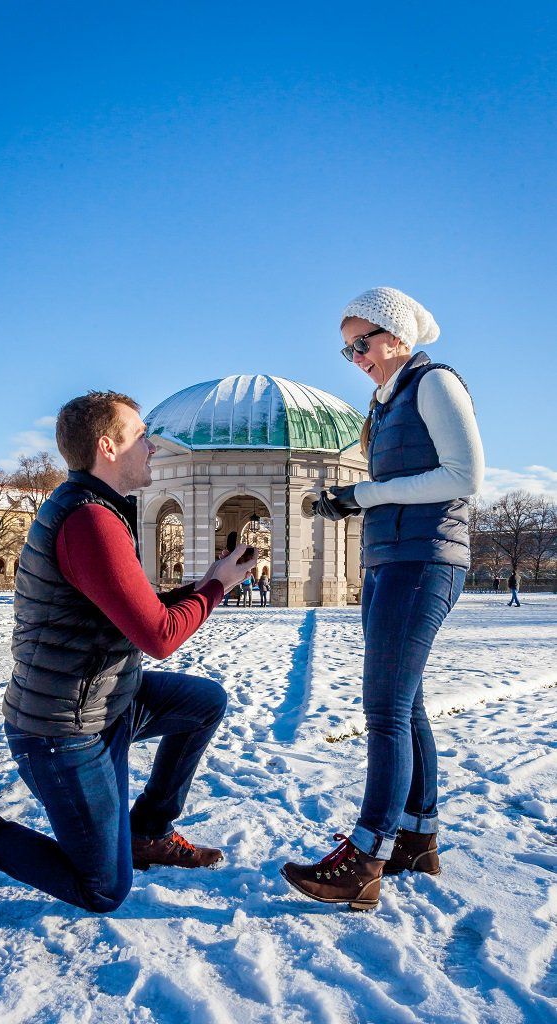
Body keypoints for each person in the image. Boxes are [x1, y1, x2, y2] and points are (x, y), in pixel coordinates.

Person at [0, 391, 257, 913]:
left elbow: (131, 609)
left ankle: (147, 832)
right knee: (103, 890)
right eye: (141, 436)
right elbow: (158, 637)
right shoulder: (89, 521)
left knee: (204, 703)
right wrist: (217, 588)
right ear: (107, 446)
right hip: (62, 730)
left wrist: (204, 583)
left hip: (108, 700)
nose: (153, 448)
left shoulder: (99, 511)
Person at [281, 286, 484, 910]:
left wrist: (366, 494)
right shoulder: (387, 399)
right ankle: (417, 839)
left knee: (385, 710)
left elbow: (464, 476)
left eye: (361, 344)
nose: (355, 357)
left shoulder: (434, 383)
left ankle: (364, 858)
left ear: (396, 335)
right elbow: (400, 484)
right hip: (390, 561)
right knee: (407, 703)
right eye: (347, 350)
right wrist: (353, 498)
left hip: (424, 562)